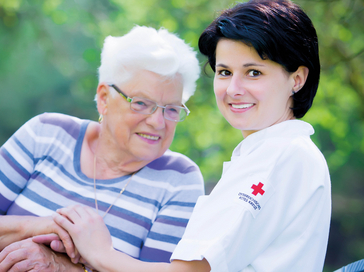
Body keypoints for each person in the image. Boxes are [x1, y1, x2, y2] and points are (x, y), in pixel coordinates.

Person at [27, 0, 332, 271]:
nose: (233, 89)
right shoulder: (277, 153)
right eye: (225, 72)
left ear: (297, 79)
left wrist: (99, 252)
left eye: (254, 72)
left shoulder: (280, 156)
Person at [0, 25, 205, 271]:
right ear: (104, 99)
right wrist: (45, 226)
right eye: (142, 103)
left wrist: (61, 266)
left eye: (172, 109)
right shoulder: (47, 133)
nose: (158, 122)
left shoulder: (179, 180)